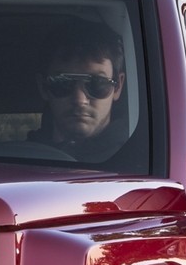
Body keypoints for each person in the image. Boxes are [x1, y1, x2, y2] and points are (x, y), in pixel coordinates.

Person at [37, 26, 129, 163]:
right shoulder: (17, 160)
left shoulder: (138, 158)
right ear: (43, 87)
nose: (80, 99)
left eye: (96, 83)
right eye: (63, 83)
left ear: (118, 86)